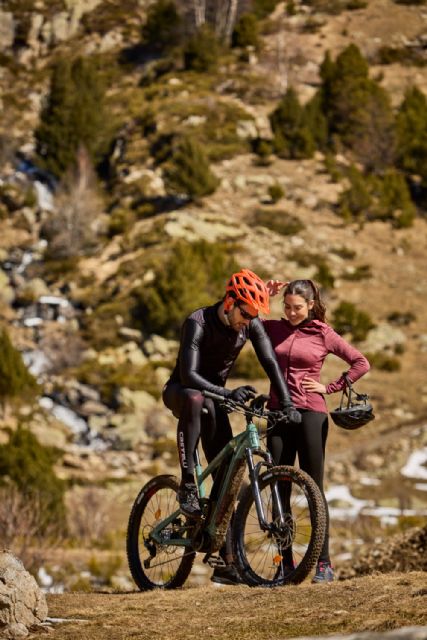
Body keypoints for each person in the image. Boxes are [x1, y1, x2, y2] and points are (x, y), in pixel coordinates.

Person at [162, 268, 301, 585]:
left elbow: (270, 362)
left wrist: (288, 404)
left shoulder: (250, 322)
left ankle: (225, 563)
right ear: (229, 302)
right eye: (246, 313)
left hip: (215, 400)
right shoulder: (197, 322)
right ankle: (187, 485)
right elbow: (189, 376)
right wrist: (227, 392)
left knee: (227, 476)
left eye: (254, 315)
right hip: (182, 391)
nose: (249, 320)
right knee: (197, 399)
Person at [263, 278, 370, 584]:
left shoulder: (322, 332)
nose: (291, 312)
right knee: (278, 488)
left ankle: (323, 564)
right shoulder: (273, 328)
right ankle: (284, 563)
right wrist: (264, 296)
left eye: (297, 307)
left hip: (311, 414)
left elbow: (360, 363)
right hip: (278, 414)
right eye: (286, 306)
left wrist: (329, 387)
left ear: (311, 305)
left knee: (313, 487)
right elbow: (242, 320)